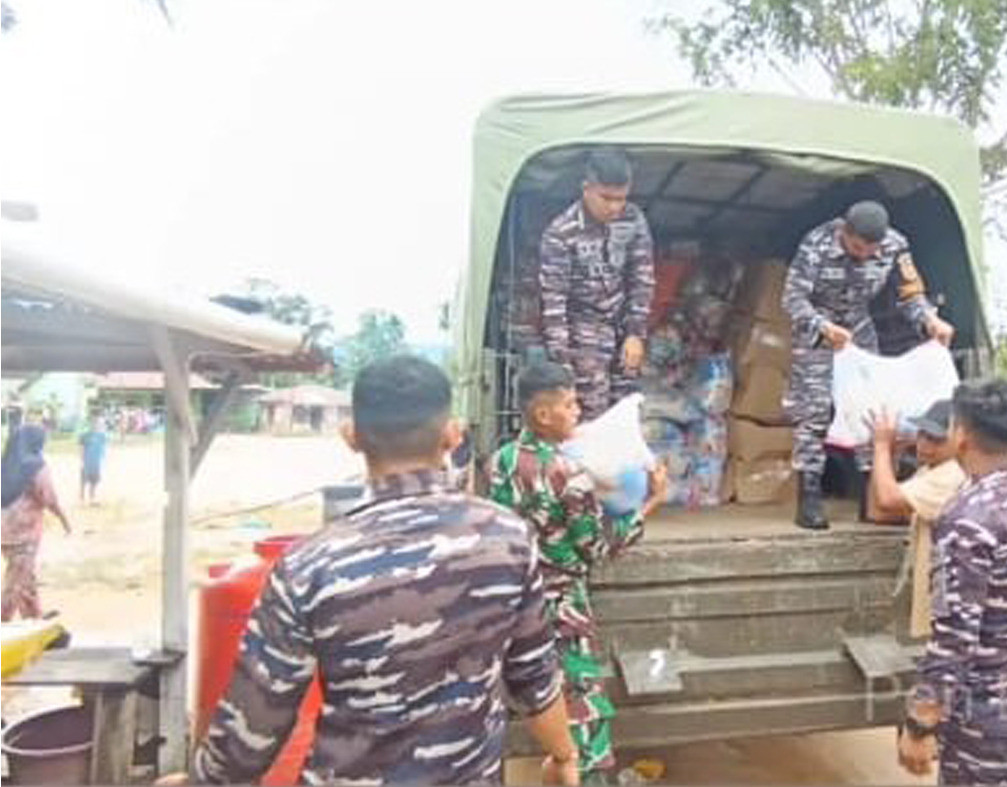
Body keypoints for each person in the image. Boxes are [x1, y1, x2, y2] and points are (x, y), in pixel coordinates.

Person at [188, 357, 580, 786]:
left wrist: (199, 781)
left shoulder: (308, 566)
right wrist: (563, 757)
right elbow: (535, 679)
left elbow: (255, 723)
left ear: (351, 437)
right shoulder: (508, 541)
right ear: (452, 434)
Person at [489, 362, 668, 784]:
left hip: (514, 603)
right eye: (569, 405)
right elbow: (598, 549)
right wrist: (652, 503)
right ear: (543, 415)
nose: (578, 411)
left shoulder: (502, 460)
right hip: (562, 607)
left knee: (533, 697)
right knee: (583, 708)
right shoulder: (570, 476)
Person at [897, 378, 1007, 786]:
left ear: (960, 435)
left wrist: (921, 724)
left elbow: (955, 638)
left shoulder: (967, 519)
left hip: (989, 726)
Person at [782, 200, 955, 530]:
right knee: (814, 412)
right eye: (857, 248)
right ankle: (810, 498)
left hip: (859, 331)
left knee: (870, 410)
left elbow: (910, 294)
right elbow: (792, 299)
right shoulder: (816, 242)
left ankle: (870, 496)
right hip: (818, 332)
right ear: (844, 232)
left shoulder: (896, 246)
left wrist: (930, 320)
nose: (864, 255)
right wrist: (822, 327)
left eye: (871, 250)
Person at [538, 147, 655, 421]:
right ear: (586, 189)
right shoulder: (561, 233)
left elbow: (642, 276)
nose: (615, 207)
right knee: (592, 416)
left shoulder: (633, 219)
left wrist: (636, 333)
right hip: (583, 333)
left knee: (626, 413)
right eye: (607, 198)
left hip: (623, 328)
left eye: (621, 199)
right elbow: (554, 304)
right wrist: (564, 369)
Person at [868, 400, 966, 639]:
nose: (924, 445)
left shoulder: (952, 474)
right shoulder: (930, 471)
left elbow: (887, 500)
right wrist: (890, 455)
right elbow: (878, 512)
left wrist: (881, 447)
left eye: (936, 439)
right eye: (922, 434)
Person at [2, 424, 71, 621]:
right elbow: (48, 497)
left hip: (4, 532)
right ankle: (2, 620)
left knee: (25, 576)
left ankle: (33, 618)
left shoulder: (5, 464)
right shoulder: (36, 466)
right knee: (16, 582)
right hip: (25, 533)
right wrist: (64, 519)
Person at [79, 416, 108, 506]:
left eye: (101, 424)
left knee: (95, 480)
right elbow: (82, 447)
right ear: (92, 424)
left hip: (97, 461)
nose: (99, 426)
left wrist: (103, 457)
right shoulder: (86, 435)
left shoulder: (102, 436)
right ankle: (82, 493)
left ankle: (92, 497)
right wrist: (82, 457)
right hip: (88, 460)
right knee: (84, 478)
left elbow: (103, 447)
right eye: (97, 424)